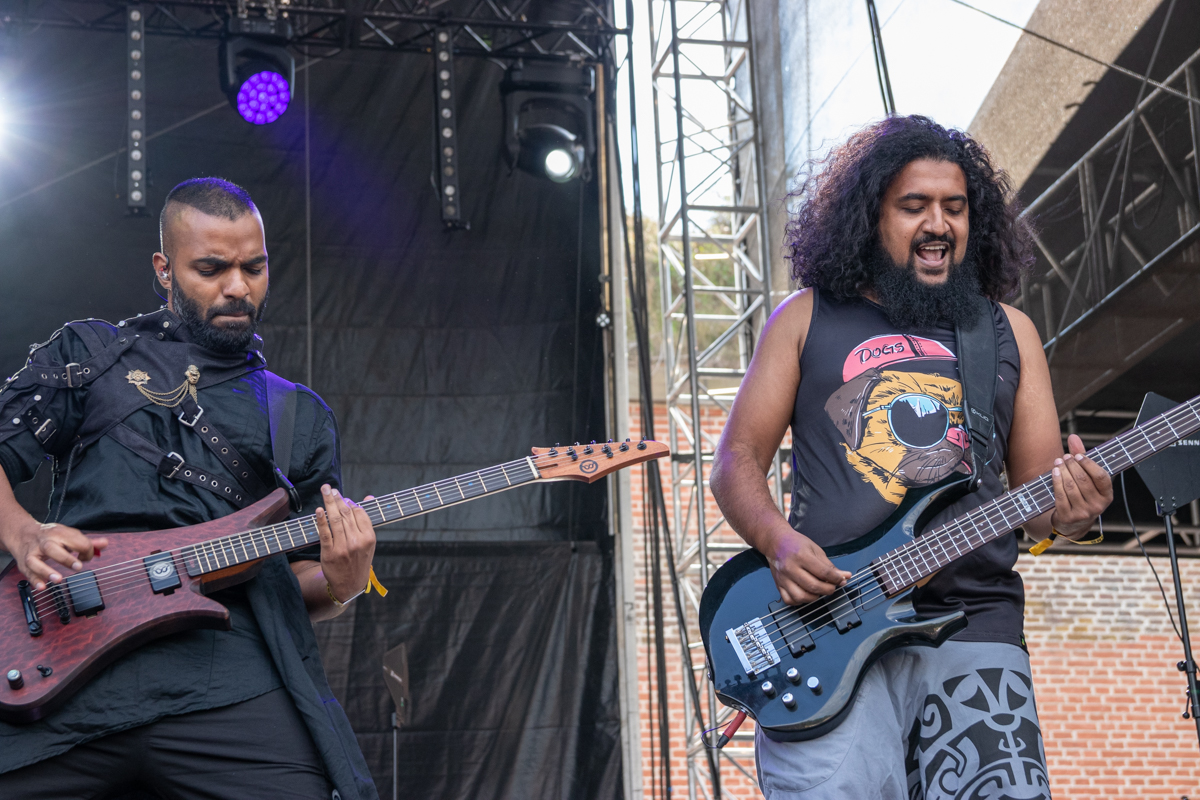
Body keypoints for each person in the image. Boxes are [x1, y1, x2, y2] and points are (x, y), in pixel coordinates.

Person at [709, 116, 1113, 799]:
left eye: (955, 207)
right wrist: (777, 542)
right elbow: (736, 460)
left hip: (975, 626)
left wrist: (1075, 513)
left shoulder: (1007, 332)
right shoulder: (805, 318)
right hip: (828, 628)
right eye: (914, 206)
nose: (938, 224)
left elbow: (1040, 505)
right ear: (871, 218)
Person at [0, 178, 379, 800]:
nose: (238, 287)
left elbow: (301, 582)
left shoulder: (299, 416)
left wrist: (345, 582)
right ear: (164, 270)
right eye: (211, 268)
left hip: (229, 679)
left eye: (253, 267)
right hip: (65, 666)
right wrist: (24, 533)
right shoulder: (93, 354)